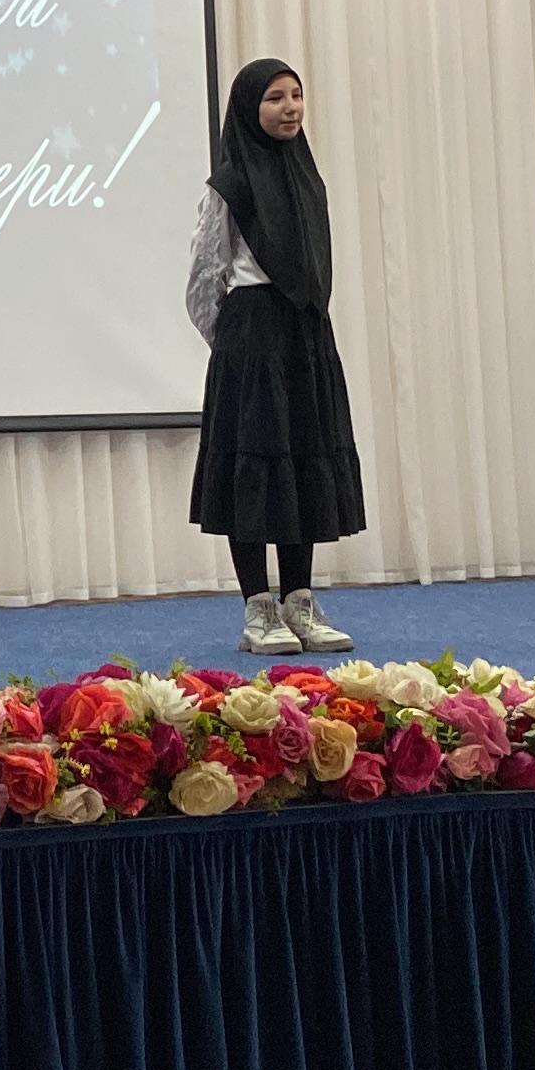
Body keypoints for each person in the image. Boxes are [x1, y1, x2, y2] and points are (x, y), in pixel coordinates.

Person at [186, 58, 364, 656]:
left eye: (296, 95)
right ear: (248, 109)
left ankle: (299, 602)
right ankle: (257, 609)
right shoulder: (230, 185)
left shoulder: (309, 178)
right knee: (255, 467)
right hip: (251, 338)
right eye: (274, 98)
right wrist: (236, 346)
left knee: (301, 460)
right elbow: (204, 278)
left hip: (304, 334)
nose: (290, 108)